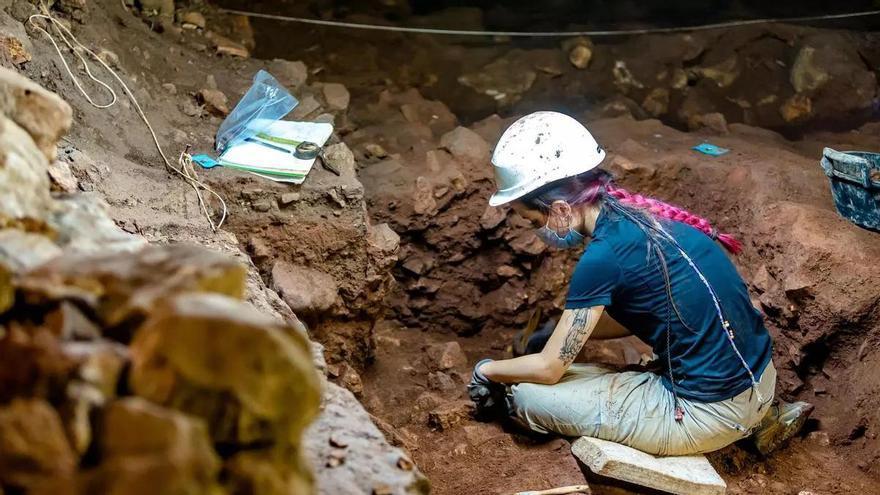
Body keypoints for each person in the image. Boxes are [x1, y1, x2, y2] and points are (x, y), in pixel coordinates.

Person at [468, 111, 810, 456]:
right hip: (758, 385)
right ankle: (759, 421)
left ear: (559, 209)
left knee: (527, 395)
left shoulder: (602, 258)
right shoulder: (645, 219)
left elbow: (548, 367)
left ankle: (738, 429)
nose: (535, 231)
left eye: (532, 220)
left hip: (707, 413)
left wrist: (487, 370)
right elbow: (642, 313)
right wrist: (560, 331)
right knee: (551, 373)